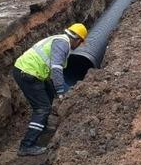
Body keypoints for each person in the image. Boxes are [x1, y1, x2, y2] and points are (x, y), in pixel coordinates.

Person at [12, 23, 88, 156]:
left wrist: (56, 90)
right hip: (28, 73)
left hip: (31, 71)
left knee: (48, 94)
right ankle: (26, 145)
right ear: (77, 40)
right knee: (43, 108)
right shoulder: (63, 44)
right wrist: (60, 91)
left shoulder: (60, 39)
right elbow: (56, 68)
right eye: (80, 43)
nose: (78, 47)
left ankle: (42, 127)